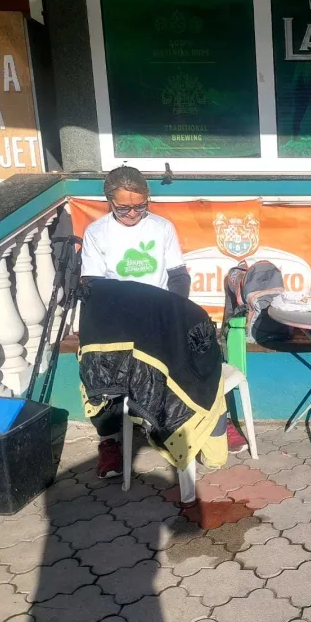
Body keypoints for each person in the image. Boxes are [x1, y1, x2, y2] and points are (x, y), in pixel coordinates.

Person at [80, 166, 247, 479]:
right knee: (102, 369)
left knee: (204, 353)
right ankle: (110, 440)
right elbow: (92, 285)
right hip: (120, 321)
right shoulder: (96, 233)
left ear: (148, 199)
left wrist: (175, 311)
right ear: (109, 202)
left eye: (140, 206)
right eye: (124, 208)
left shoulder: (161, 227)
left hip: (160, 316)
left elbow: (178, 276)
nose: (133, 214)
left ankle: (214, 422)